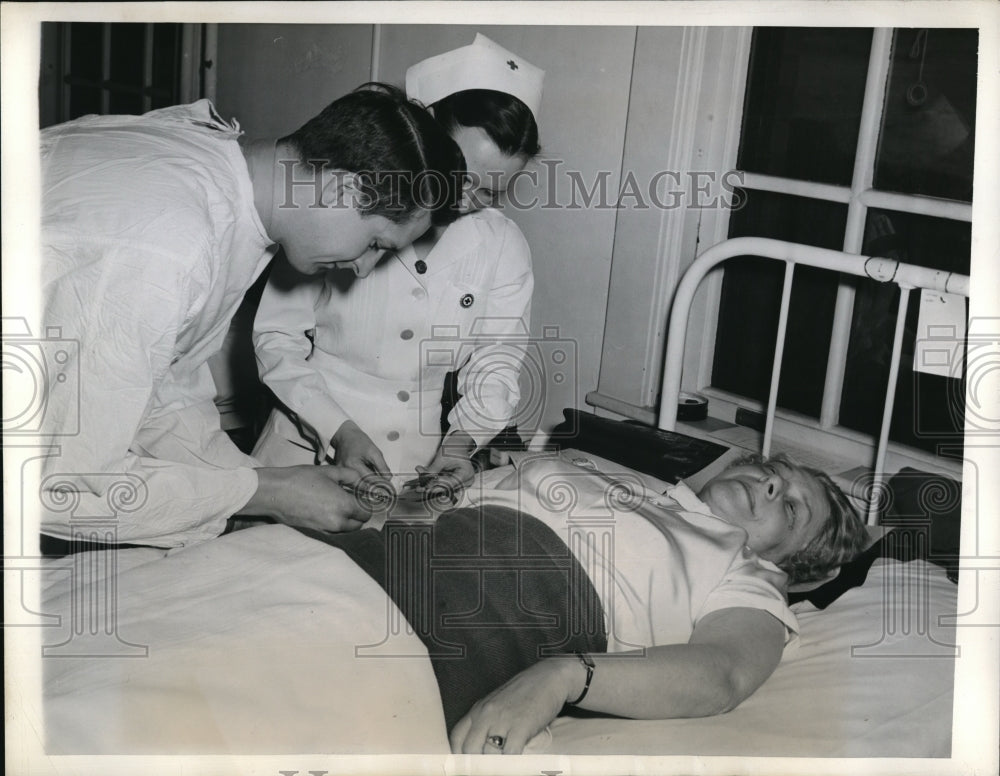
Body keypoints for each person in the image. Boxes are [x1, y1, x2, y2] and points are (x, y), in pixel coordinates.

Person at [38, 85, 463, 550]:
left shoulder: (218, 173)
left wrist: (262, 483)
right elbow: (64, 489)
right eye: (376, 244)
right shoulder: (168, 243)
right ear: (342, 188)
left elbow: (164, 394)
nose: (363, 268)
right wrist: (268, 493)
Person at [300, 450, 869, 753]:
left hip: (493, 609)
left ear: (790, 564)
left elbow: (721, 675)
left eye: (790, 509)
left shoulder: (748, 572)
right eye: (773, 473)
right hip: (377, 554)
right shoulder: (617, 482)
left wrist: (563, 677)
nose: (771, 486)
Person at [251, 35, 544, 491]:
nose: (465, 199)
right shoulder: (342, 210)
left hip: (419, 466)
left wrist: (460, 443)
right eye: (459, 174)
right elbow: (276, 336)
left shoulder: (502, 245)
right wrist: (336, 429)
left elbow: (497, 358)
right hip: (303, 451)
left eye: (490, 192)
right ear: (426, 138)